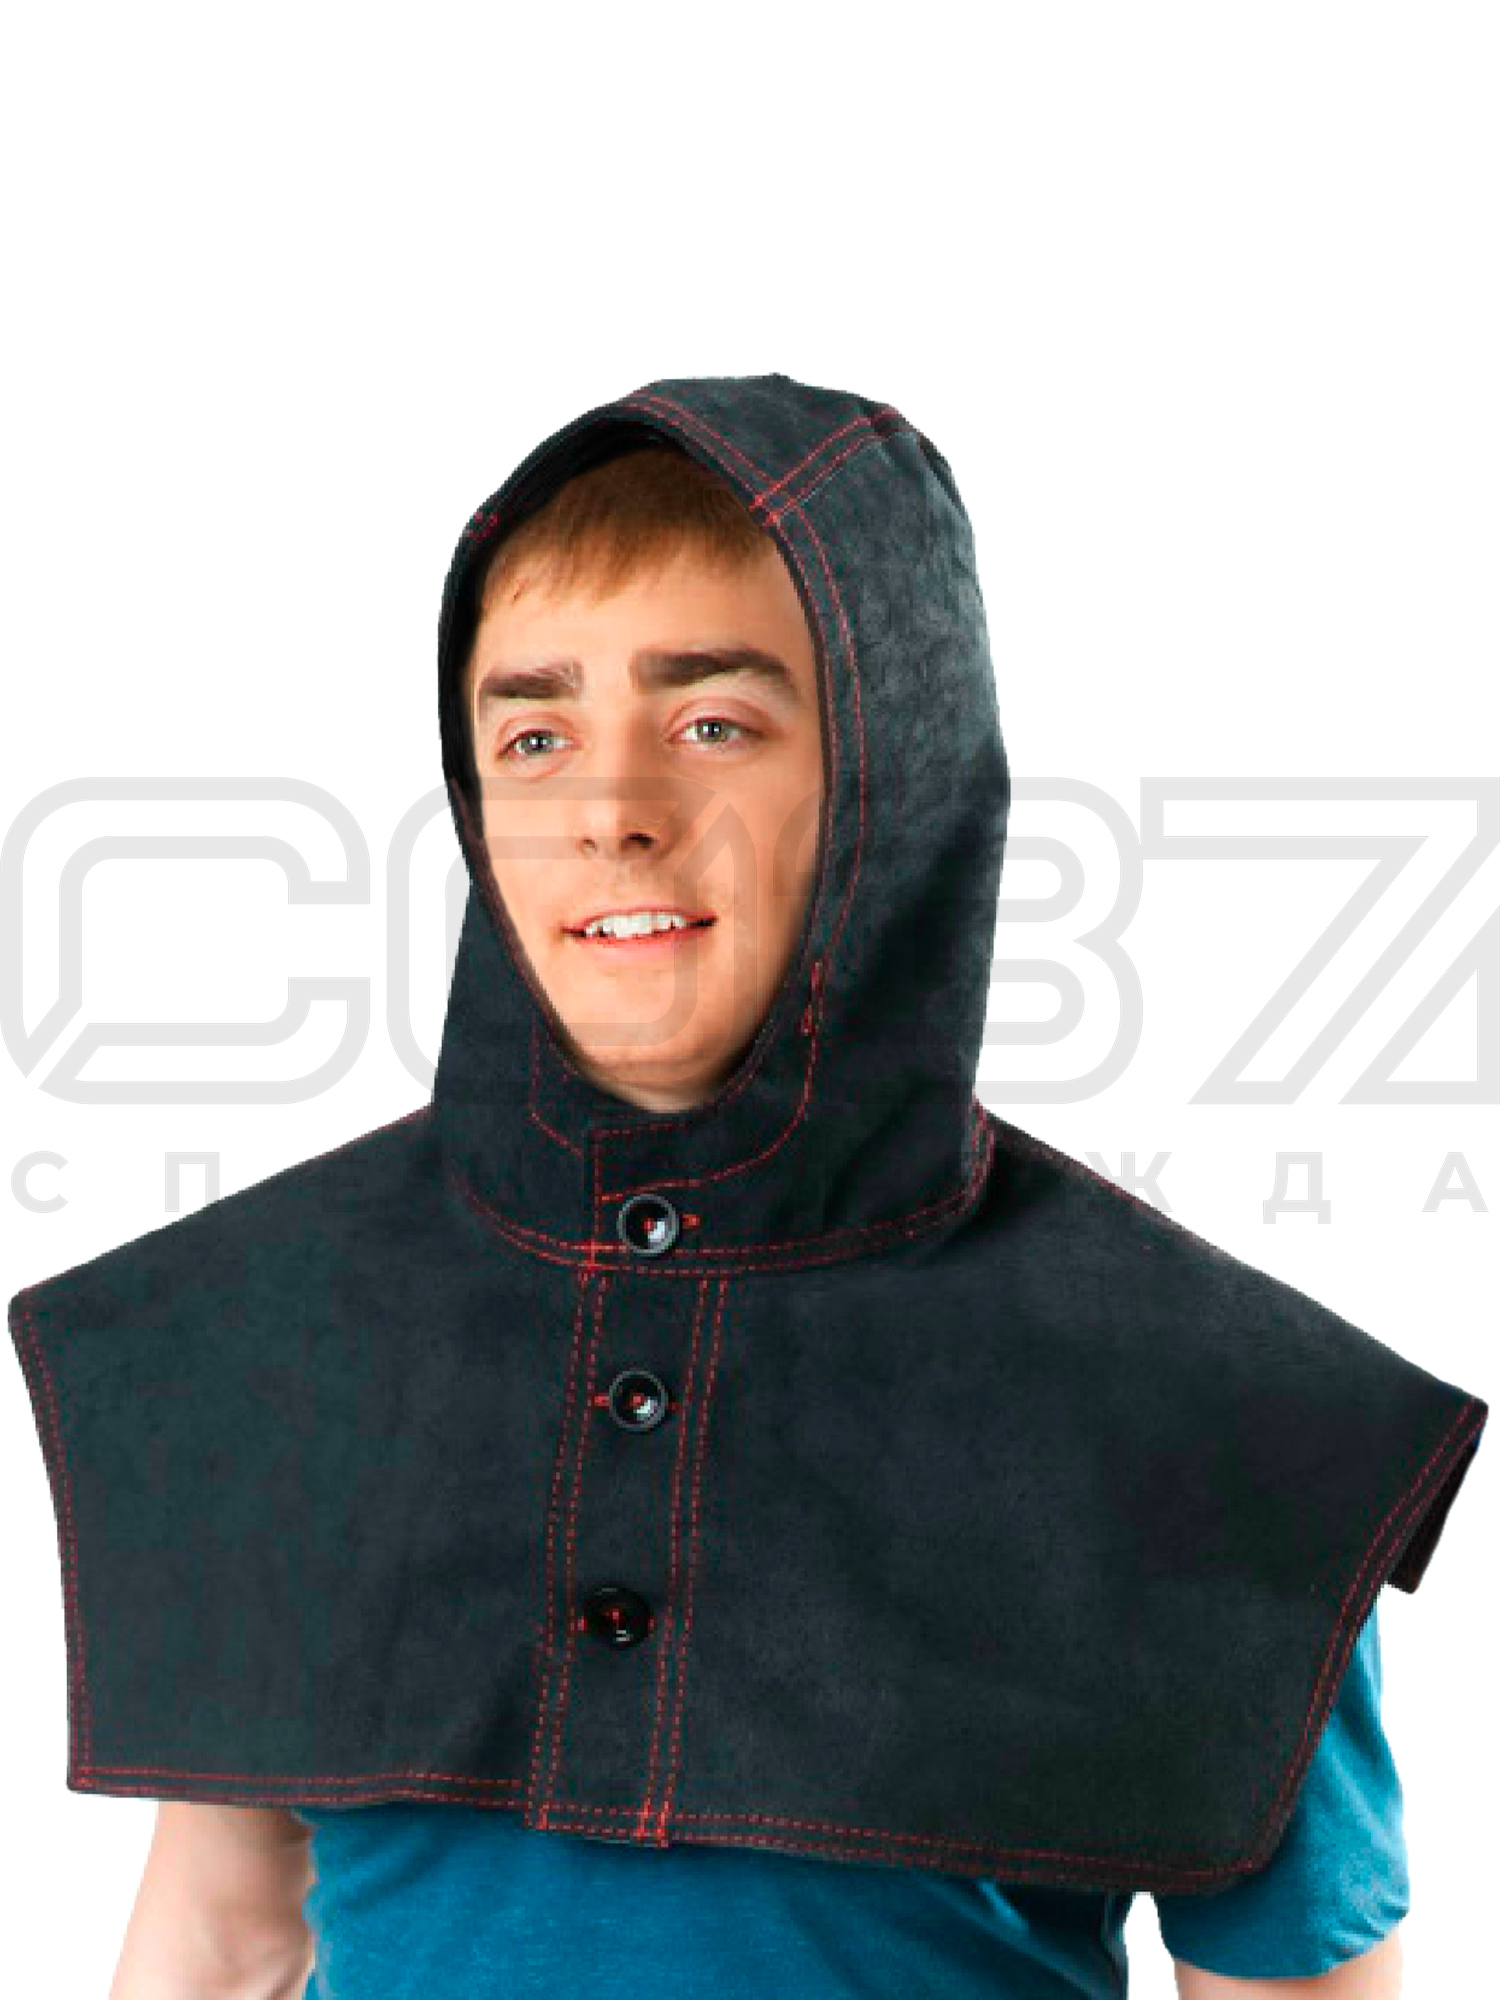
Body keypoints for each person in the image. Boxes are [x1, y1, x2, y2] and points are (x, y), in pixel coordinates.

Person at [14, 377, 1481, 1999]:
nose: (613, 816)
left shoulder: (1209, 1426)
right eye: (536, 736)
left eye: (712, 724)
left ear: (893, 778)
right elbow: (222, 1935)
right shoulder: (278, 1348)